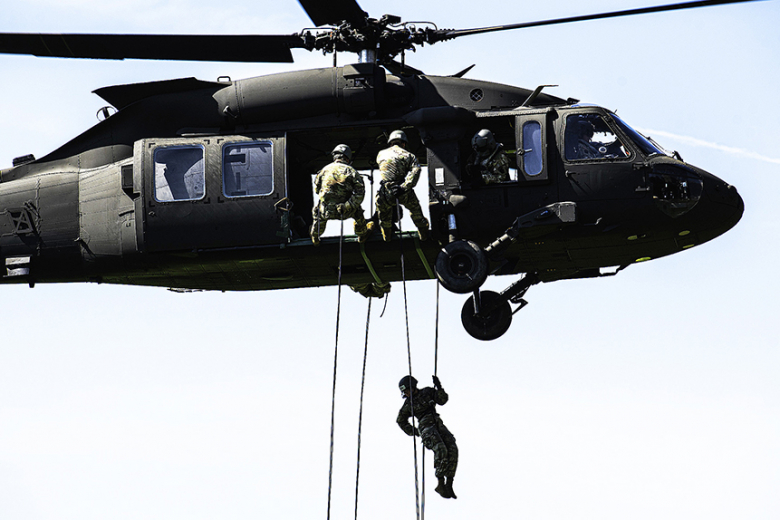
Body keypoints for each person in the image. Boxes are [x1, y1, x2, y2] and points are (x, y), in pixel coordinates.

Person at [396, 375, 459, 499]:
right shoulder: (408, 404)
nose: (407, 394)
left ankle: (449, 483)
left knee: (452, 449)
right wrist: (415, 432)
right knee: (441, 449)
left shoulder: (427, 392)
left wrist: (439, 387)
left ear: (412, 387)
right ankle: (440, 482)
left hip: (437, 424)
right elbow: (400, 421)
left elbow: (442, 400)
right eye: (405, 392)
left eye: (407, 390)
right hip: (426, 427)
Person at [369, 130, 429, 242]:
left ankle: (386, 235)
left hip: (386, 190)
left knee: (384, 214)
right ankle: (423, 233)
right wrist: (404, 187)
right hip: (402, 189)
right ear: (404, 143)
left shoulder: (381, 154)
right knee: (415, 209)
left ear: (390, 142)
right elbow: (416, 171)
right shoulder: (409, 155)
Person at [311, 144, 368, 246]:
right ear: (347, 158)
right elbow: (360, 193)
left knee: (318, 213)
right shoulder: (352, 171)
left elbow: (317, 189)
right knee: (358, 213)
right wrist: (347, 205)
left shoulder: (324, 170)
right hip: (346, 211)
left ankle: (315, 236)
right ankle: (362, 234)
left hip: (327, 210)